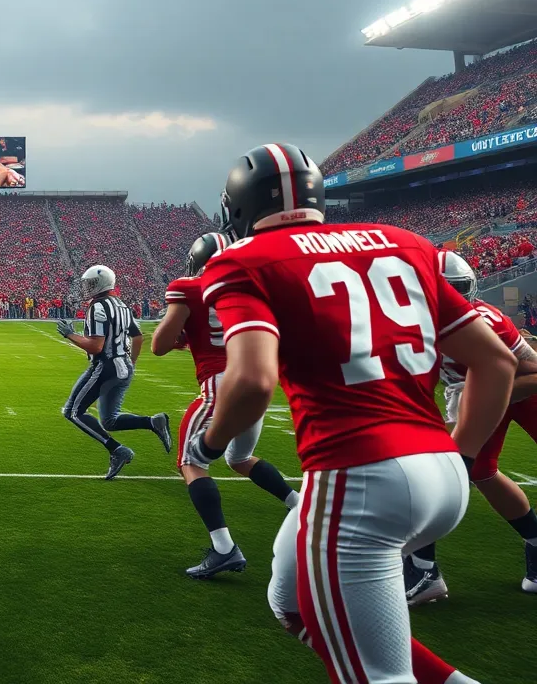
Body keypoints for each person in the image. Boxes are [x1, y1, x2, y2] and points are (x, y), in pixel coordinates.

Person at [191, 142, 510, 684]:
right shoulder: (404, 243)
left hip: (357, 475)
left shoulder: (242, 261)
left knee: (375, 677)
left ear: (237, 207)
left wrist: (209, 444)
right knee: (291, 602)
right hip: (442, 473)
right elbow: (496, 362)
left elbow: (251, 381)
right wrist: (464, 452)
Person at [153, 232, 299, 579]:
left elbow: (159, 344)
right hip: (256, 383)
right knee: (238, 458)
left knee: (190, 461)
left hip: (219, 386)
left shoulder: (188, 287)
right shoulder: (252, 287)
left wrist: (182, 336)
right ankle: (302, 506)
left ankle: (224, 548)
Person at [404, 250, 537, 603]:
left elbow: (532, 369)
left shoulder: (483, 319)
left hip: (517, 393)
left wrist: (483, 394)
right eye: (445, 289)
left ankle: (423, 569)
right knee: (479, 473)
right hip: (479, 397)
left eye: (457, 289)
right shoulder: (414, 321)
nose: (453, 298)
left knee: (443, 477)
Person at [57, 264, 171, 479]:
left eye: (89, 283)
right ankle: (152, 422)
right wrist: (131, 363)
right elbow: (137, 337)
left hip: (104, 366)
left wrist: (70, 335)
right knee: (109, 421)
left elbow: (96, 346)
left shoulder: (98, 307)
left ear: (100, 284)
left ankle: (116, 450)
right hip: (123, 367)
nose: (86, 288)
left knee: (72, 412)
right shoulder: (122, 305)